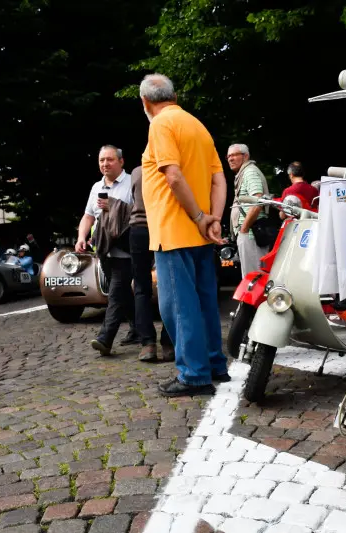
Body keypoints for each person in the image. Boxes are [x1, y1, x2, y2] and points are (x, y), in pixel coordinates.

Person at [140, 73, 229, 397]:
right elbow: (218, 179)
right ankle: (214, 364)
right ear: (173, 95)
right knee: (205, 303)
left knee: (178, 307)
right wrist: (213, 218)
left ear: (145, 102)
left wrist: (198, 216)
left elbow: (173, 175)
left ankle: (193, 374)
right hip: (202, 234)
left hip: (174, 230)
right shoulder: (198, 126)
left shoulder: (161, 125)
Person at [75, 145, 138, 355]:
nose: (105, 164)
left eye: (109, 160)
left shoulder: (132, 182)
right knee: (120, 291)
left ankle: (105, 338)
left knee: (115, 292)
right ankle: (137, 328)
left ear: (121, 161)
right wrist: (81, 237)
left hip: (125, 248)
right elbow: (88, 216)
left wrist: (114, 206)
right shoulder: (96, 187)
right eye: (102, 160)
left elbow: (141, 213)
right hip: (103, 248)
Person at [129, 165, 174, 362]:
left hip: (138, 228)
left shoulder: (137, 172)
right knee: (168, 285)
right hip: (164, 226)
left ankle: (147, 344)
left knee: (141, 288)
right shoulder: (169, 168)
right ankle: (168, 342)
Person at [227, 143, 270, 277]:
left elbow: (258, 200)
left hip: (251, 234)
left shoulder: (249, 172)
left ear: (245, 156)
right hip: (250, 232)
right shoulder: (245, 172)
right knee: (252, 276)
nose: (230, 159)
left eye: (234, 155)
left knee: (253, 277)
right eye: (228, 156)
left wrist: (244, 228)